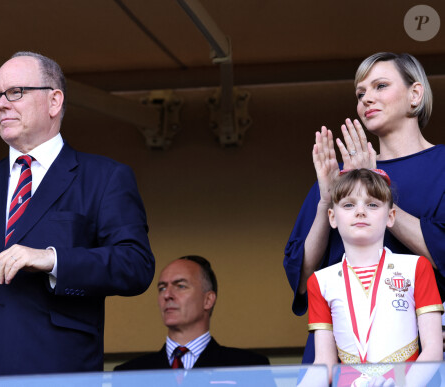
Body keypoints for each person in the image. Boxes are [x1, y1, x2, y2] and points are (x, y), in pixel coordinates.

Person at [0, 51, 155, 377]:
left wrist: (53, 259)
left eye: (15, 92)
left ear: (54, 101)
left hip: (52, 368)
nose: (1, 104)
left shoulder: (104, 177)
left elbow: (136, 265)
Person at [283, 52, 445, 363]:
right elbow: (302, 277)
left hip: (419, 356)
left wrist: (377, 190)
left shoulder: (441, 166)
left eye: (380, 86)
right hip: (339, 359)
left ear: (415, 94)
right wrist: (326, 199)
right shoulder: (343, 174)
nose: (366, 99)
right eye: (360, 93)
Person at [305, 168, 442, 385]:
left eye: (372, 204)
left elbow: (433, 349)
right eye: (349, 204)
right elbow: (324, 362)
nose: (360, 211)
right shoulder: (320, 282)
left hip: (407, 381)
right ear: (332, 217)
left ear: (390, 216)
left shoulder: (416, 267)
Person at [114, 255, 270, 370]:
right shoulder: (129, 372)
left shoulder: (249, 367)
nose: (167, 295)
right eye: (162, 288)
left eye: (180, 286)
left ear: (208, 300)